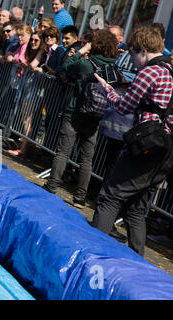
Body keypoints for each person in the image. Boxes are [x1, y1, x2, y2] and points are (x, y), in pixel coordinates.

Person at [91, 26, 173, 256]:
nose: (132, 60)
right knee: (136, 209)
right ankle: (138, 260)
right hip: (165, 149)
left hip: (146, 144)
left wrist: (107, 90)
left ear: (143, 50)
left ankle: (91, 253)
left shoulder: (150, 72)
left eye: (133, 54)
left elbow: (124, 106)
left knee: (110, 195)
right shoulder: (170, 69)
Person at [42, 29, 119, 209]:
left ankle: (52, 185)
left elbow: (67, 66)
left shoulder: (87, 64)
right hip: (96, 116)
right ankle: (79, 198)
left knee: (63, 151)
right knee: (86, 159)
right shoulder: (112, 67)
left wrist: (81, 51)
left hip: (75, 111)